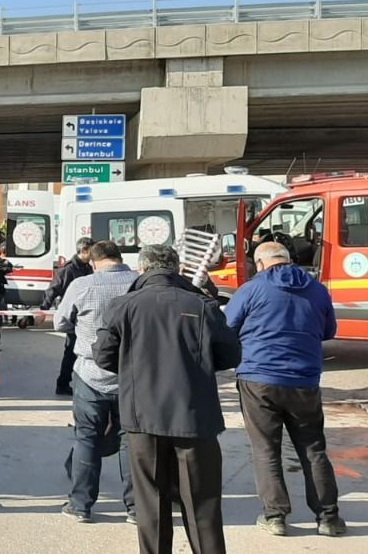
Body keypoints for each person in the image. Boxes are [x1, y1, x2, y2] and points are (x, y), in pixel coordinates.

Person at [94, 245, 241, 554]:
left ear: (142, 269)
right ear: (177, 269)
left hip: (143, 415)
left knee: (151, 505)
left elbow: (103, 356)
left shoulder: (125, 305)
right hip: (195, 415)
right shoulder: (202, 304)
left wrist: (135, 366)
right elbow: (230, 354)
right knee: (202, 505)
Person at [225, 242, 346, 537]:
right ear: (288, 260)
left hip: (259, 378)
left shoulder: (251, 289)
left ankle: (275, 516)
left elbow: (227, 327)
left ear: (260, 263)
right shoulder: (317, 290)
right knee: (313, 449)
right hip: (304, 379)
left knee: (266, 448)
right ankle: (328, 517)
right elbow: (329, 331)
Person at [55, 241, 138, 524]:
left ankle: (80, 505)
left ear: (93, 262)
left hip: (90, 372)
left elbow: (60, 322)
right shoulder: (139, 282)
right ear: (119, 258)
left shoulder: (82, 285)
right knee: (130, 439)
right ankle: (136, 508)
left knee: (87, 437)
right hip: (131, 373)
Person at [47, 237, 95, 396]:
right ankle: (63, 383)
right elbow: (53, 289)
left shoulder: (87, 267)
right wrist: (43, 309)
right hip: (73, 317)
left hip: (85, 315)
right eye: (92, 251)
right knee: (71, 353)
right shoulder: (68, 270)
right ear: (84, 251)